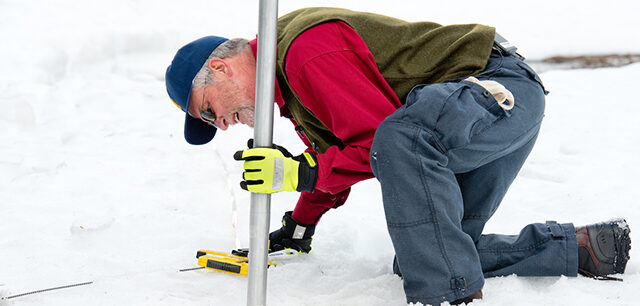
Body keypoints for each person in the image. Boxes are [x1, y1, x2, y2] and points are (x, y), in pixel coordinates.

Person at [165, 7, 631, 305]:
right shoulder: (291, 86)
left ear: (221, 68)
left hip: (495, 91)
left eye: (210, 112)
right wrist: (299, 226)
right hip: (466, 119)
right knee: (430, 257)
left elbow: (380, 141)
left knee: (401, 143)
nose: (222, 125)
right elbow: (339, 153)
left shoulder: (304, 53)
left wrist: (301, 172)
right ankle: (584, 247)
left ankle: (446, 300)